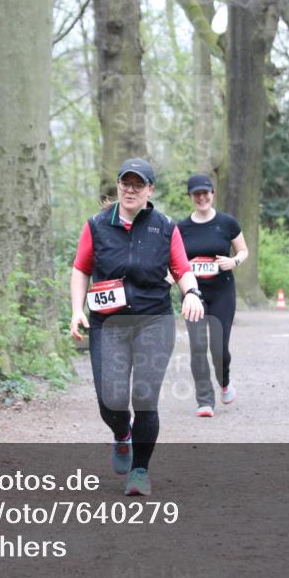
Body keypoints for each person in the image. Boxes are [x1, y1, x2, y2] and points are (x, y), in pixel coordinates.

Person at [69, 158, 205, 496]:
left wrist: (192, 292)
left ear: (150, 190)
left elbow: (181, 268)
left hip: (153, 320)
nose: (130, 189)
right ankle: (121, 434)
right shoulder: (97, 225)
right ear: (118, 186)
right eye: (125, 183)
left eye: (138, 184)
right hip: (108, 323)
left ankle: (140, 471)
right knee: (110, 400)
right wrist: (76, 310)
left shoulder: (164, 226)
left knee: (144, 396)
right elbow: (81, 268)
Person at [177, 173, 248, 417]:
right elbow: (174, 262)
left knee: (219, 348)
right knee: (198, 346)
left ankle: (225, 381)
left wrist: (234, 261)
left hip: (222, 293)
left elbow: (243, 250)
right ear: (190, 197)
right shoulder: (180, 228)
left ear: (212, 194)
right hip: (193, 295)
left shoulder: (227, 223)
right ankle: (204, 400)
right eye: (196, 193)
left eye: (205, 192)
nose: (201, 197)